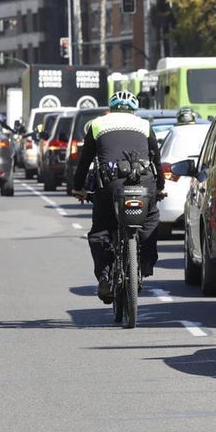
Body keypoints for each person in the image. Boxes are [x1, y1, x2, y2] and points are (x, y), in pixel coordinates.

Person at [73, 91, 165, 304]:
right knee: (150, 219)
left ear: (111, 108)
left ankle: (105, 275)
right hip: (144, 182)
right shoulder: (144, 125)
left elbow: (84, 161)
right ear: (133, 110)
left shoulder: (97, 125)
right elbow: (157, 162)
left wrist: (78, 188)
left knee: (100, 231)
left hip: (109, 185)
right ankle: (144, 264)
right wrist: (159, 187)